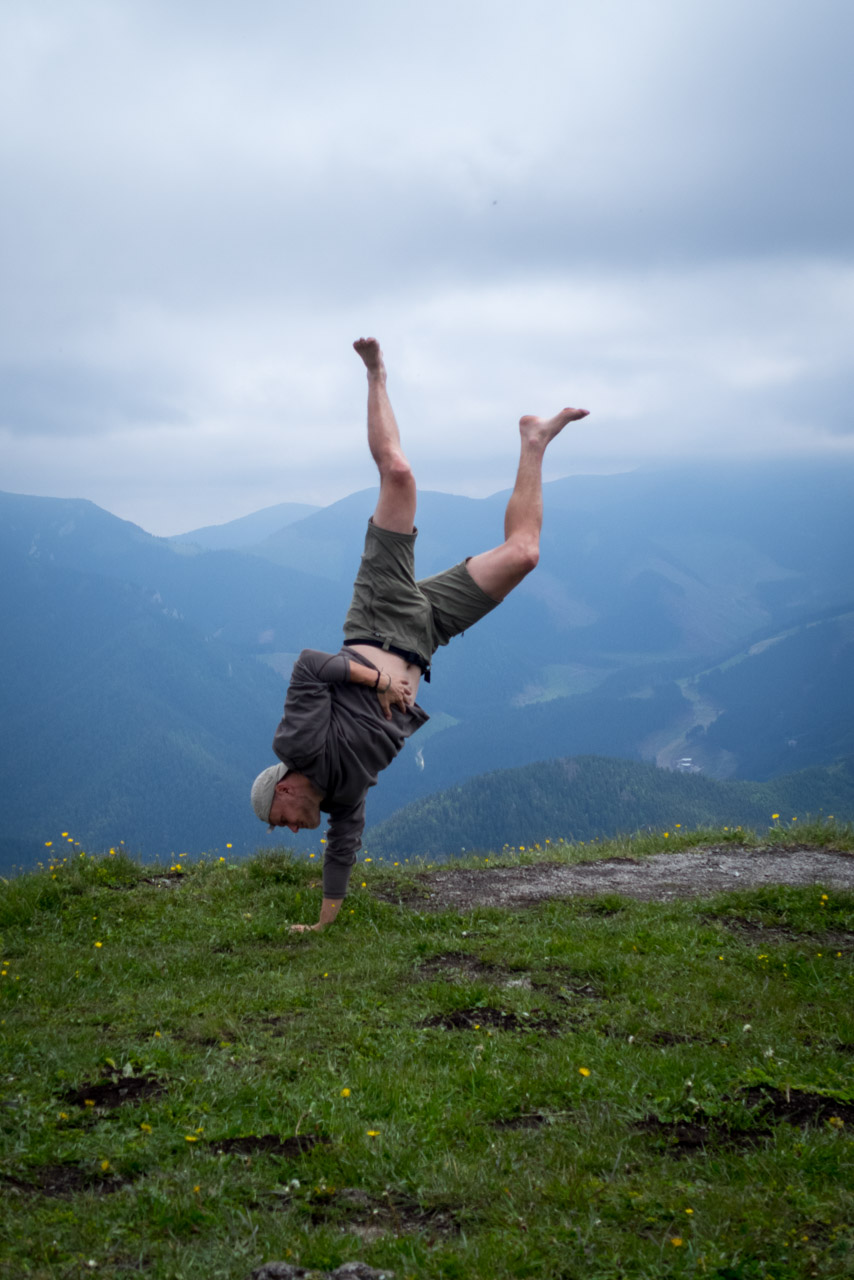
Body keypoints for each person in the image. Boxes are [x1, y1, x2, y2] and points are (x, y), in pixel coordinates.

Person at [250, 337, 589, 931]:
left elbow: (309, 664)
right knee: (524, 554)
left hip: (379, 615)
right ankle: (534, 441)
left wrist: (377, 677)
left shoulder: (294, 746)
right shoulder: (343, 797)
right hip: (425, 630)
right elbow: (341, 854)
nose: (294, 831)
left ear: (281, 791)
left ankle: (376, 374)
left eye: (282, 822)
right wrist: (323, 924)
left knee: (399, 475)